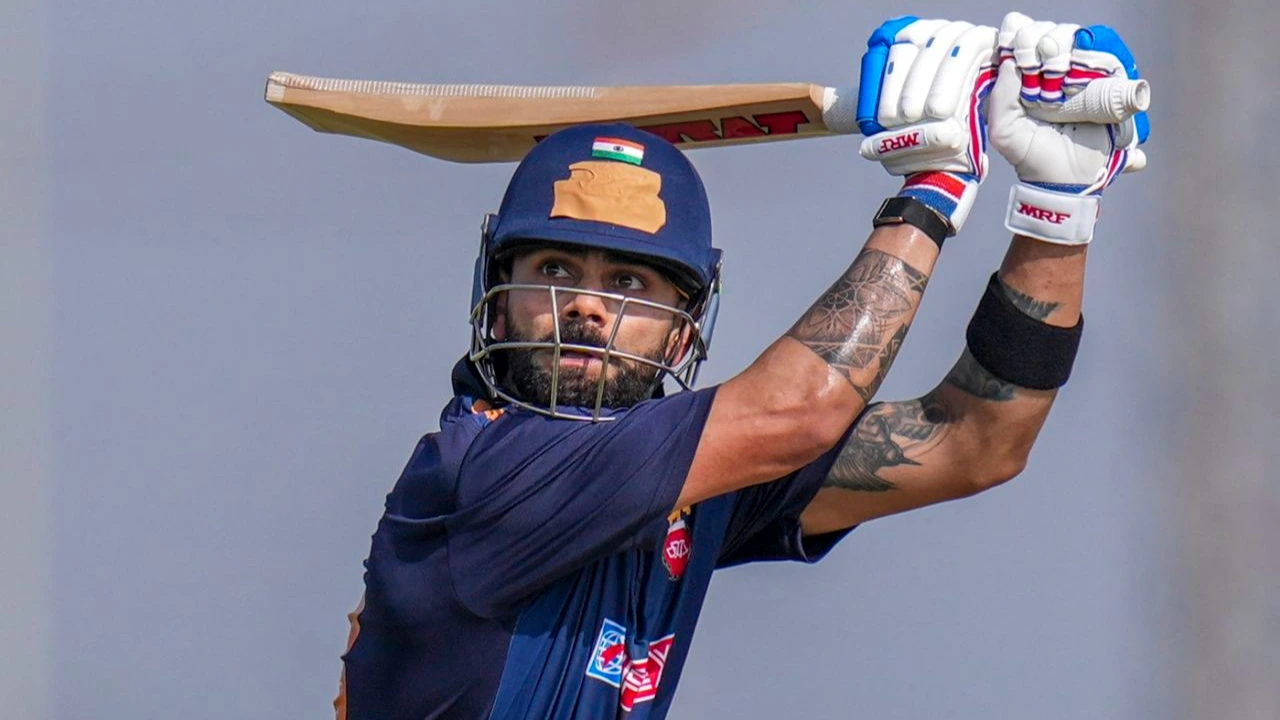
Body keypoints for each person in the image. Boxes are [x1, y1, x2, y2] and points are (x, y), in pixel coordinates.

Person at [333, 12, 1150, 719]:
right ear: (495, 301)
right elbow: (799, 411)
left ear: (683, 333)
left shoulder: (688, 491)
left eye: (629, 283)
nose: (586, 306)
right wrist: (931, 189)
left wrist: (1057, 212)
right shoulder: (483, 474)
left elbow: (973, 444)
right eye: (553, 269)